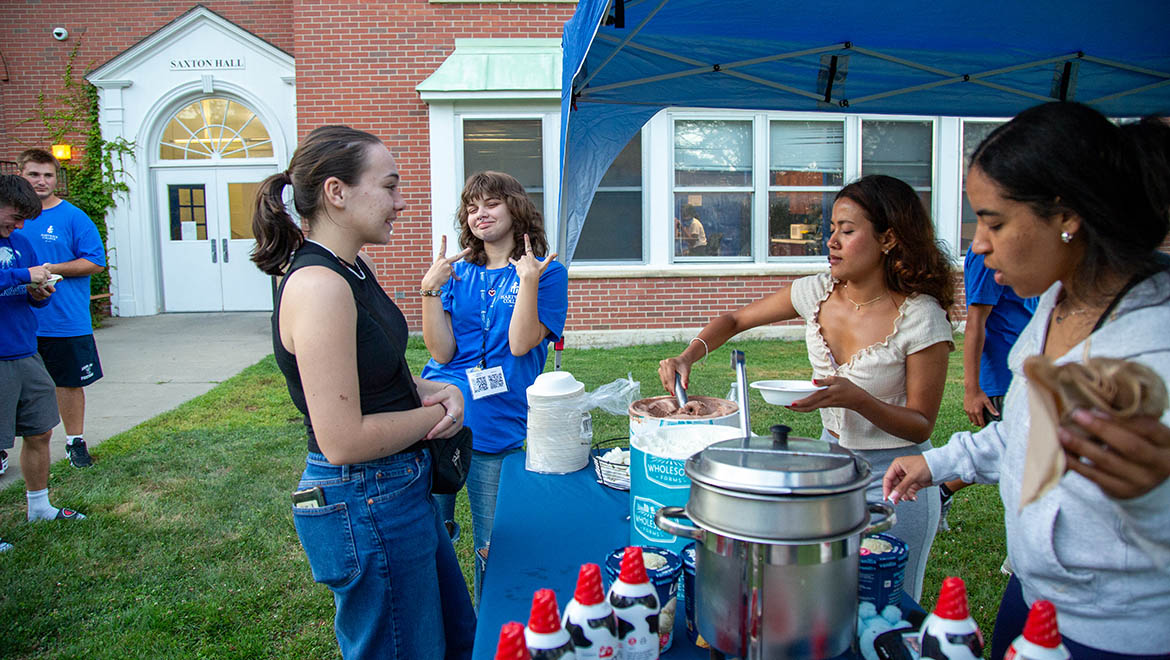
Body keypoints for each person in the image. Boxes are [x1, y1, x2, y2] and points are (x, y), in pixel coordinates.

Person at [883, 102, 1170, 659]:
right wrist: (939, 463)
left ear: (1067, 216)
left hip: (1118, 634)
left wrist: (1153, 497)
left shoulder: (1156, 341)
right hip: (1033, 598)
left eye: (994, 221)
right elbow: (1023, 431)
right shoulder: (1057, 302)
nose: (978, 244)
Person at [659, 174, 954, 601]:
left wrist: (859, 400)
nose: (831, 241)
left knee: (888, 606)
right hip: (828, 475)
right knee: (820, 602)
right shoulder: (815, 292)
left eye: (847, 231)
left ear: (889, 239)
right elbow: (737, 320)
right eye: (831, 228)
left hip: (896, 482)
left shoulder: (922, 318)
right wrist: (689, 355)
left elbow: (921, 425)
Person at [251, 125, 475, 659]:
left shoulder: (352, 268)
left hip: (398, 488)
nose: (401, 202)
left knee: (453, 639)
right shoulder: (318, 286)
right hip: (366, 498)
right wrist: (437, 413)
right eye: (390, 186)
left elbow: (371, 374)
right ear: (336, 191)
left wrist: (434, 388)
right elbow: (343, 439)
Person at [419, 171, 568, 603]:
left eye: (491, 204)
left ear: (515, 207)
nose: (479, 214)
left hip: (497, 423)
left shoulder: (547, 272)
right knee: (433, 533)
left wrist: (528, 281)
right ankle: (443, 624)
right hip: (438, 419)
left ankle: (491, 630)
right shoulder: (457, 272)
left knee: (492, 543)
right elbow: (442, 353)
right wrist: (430, 291)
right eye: (471, 206)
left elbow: (521, 344)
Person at [2, 174, 87, 553]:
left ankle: (39, 507)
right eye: (15, 217)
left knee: (40, 433)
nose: (19, 226)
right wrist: (24, 275)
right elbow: (18, 277)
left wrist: (40, 292)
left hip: (25, 350)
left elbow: (32, 293)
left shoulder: (20, 243)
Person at [17, 149, 106, 469]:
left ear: (57, 178)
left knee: (68, 383)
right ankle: (3, 447)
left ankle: (75, 442)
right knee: (11, 387)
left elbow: (95, 261)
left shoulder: (73, 217)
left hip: (64, 319)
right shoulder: (11, 219)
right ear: (20, 174)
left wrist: (52, 268)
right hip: (17, 322)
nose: (41, 181)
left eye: (48, 175)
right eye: (34, 174)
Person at [938, 246, 1037, 532]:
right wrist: (972, 389)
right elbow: (975, 323)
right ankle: (942, 488)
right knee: (1017, 457)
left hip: (1029, 370)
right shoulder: (988, 253)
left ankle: (943, 489)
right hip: (1004, 375)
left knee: (1019, 454)